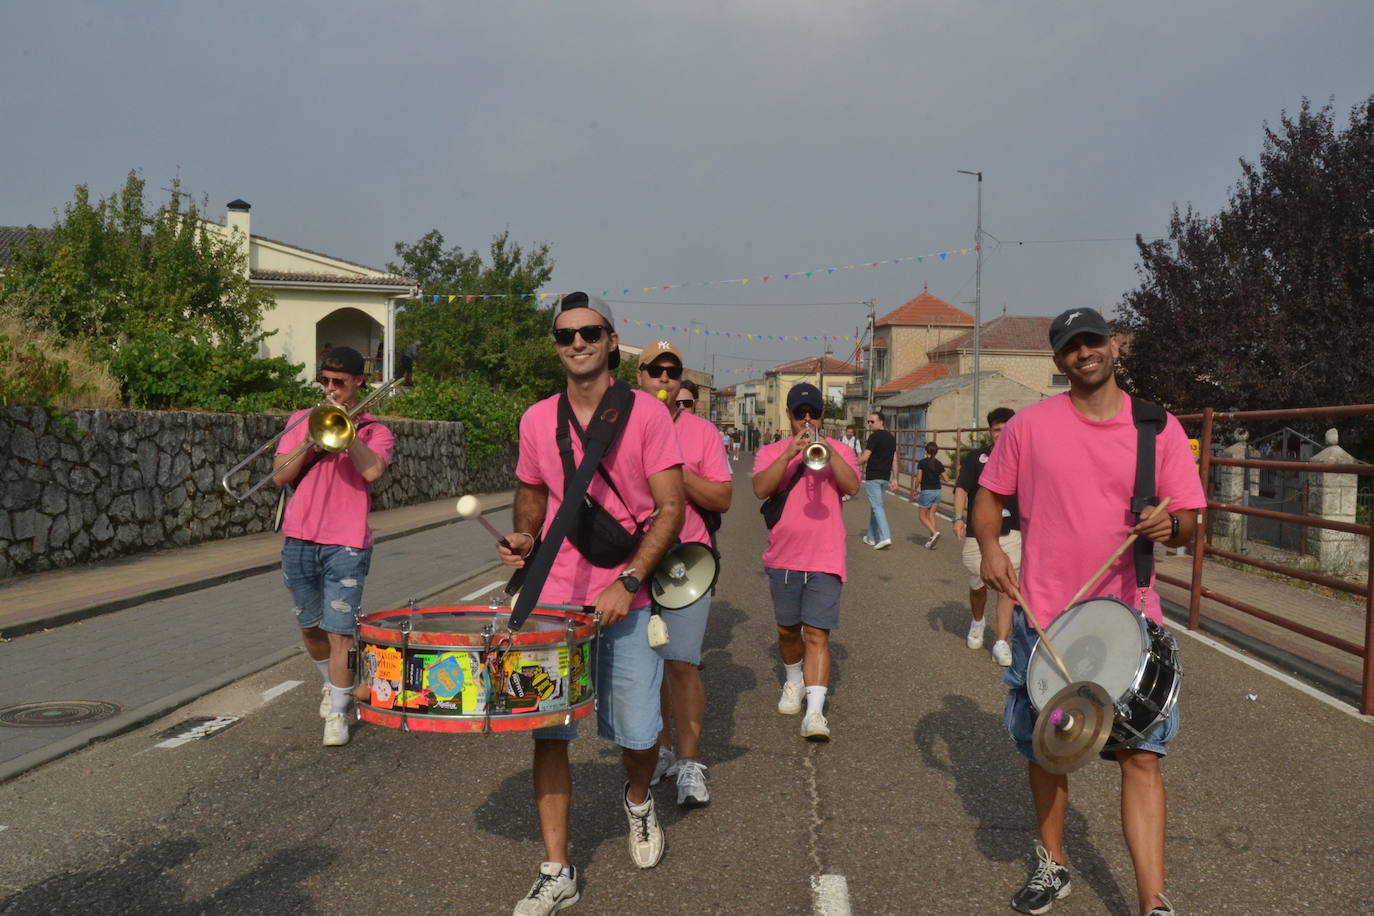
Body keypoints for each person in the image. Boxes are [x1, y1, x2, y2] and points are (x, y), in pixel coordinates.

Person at [974, 307, 1204, 916]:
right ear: (1058, 361)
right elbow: (989, 496)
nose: (1084, 353)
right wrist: (992, 548)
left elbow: (1190, 523)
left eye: (1093, 341)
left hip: (1131, 615)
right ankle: (1054, 866)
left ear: (1113, 345)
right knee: (1048, 752)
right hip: (1046, 619)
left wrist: (1171, 523)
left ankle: (1153, 903)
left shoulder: (1158, 427)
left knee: (1142, 756)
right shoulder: (1027, 428)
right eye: (1071, 346)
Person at [498, 292, 685, 916]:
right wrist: (525, 539)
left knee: (636, 735)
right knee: (549, 733)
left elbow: (671, 509)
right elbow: (531, 494)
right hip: (553, 599)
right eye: (565, 334)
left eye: (589, 332)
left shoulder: (647, 418)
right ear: (555, 345)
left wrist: (628, 582)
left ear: (610, 341)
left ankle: (637, 798)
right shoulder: (534, 420)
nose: (576, 342)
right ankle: (557, 869)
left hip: (624, 598)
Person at [272, 346, 393, 748]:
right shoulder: (301, 421)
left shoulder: (376, 431)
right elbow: (278, 477)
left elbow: (373, 470)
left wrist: (346, 435)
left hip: (347, 542)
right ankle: (333, 686)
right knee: (309, 626)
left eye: (338, 383)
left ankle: (339, 713)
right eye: (324, 381)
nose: (330, 389)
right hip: (300, 537)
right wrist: (311, 437)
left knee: (340, 631)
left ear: (359, 382)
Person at [637, 342, 732, 808]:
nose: (663, 378)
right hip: (635, 563)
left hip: (687, 565)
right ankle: (660, 751)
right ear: (639, 375)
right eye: (654, 370)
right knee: (648, 668)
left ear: (679, 381)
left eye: (671, 371)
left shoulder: (702, 433)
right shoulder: (621, 427)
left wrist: (676, 472)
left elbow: (723, 498)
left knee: (681, 664)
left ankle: (689, 764)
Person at [752, 383, 860, 741]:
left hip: (826, 556)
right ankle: (793, 681)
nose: (807, 419)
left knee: (817, 633)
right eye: (800, 414)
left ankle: (815, 713)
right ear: (789, 415)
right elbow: (760, 489)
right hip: (783, 555)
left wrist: (828, 451)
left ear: (822, 415)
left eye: (813, 412)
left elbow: (853, 487)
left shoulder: (839, 450)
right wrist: (789, 455)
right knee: (787, 630)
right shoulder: (771, 451)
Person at [952, 407, 1020, 667]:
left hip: (1013, 530)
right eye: (996, 430)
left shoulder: (1026, 458)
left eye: (1006, 430)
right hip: (978, 533)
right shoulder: (977, 458)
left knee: (1008, 587)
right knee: (978, 583)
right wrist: (958, 518)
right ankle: (978, 620)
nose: (1001, 435)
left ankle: (1001, 641)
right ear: (989, 432)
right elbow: (961, 489)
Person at [856, 412, 897, 550]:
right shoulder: (892, 438)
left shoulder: (874, 437)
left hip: (873, 476)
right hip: (885, 477)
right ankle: (871, 537)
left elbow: (865, 457)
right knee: (875, 507)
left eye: (872, 422)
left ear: (881, 422)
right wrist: (895, 478)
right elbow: (895, 459)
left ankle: (885, 536)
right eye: (868, 421)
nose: (869, 424)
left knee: (877, 507)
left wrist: (852, 463)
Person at [915, 442, 949, 548]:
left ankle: (934, 533)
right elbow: (947, 479)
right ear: (936, 452)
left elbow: (919, 478)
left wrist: (915, 489)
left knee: (921, 516)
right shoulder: (939, 463)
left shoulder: (922, 462)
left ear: (926, 451)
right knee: (931, 515)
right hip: (937, 491)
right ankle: (932, 540)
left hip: (927, 491)